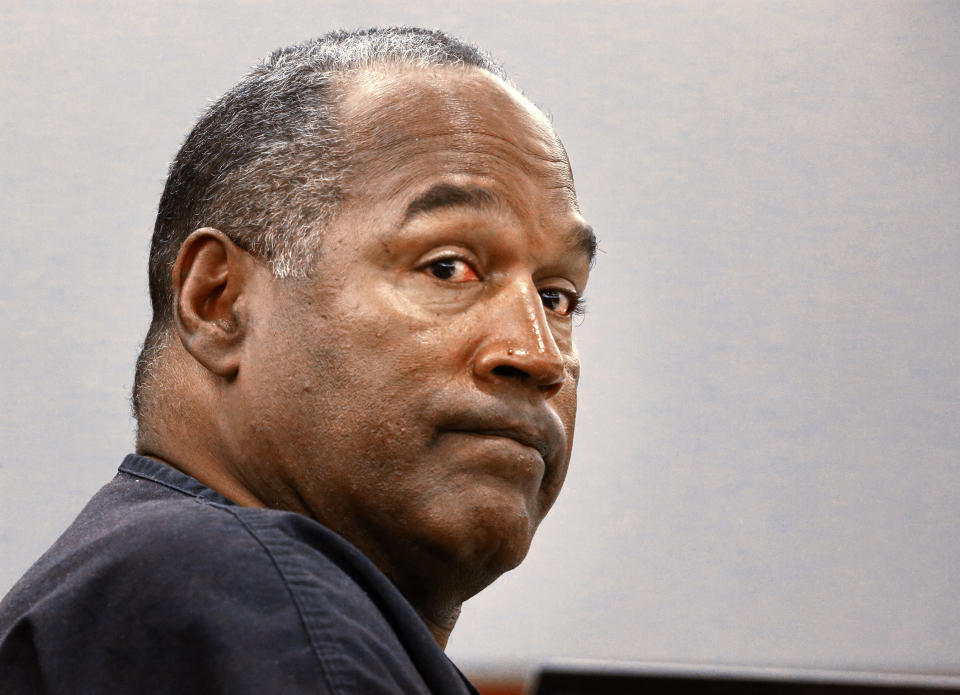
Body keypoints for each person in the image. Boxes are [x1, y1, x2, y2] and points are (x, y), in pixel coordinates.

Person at [0, 27, 596, 694]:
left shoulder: (148, 595)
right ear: (217, 301)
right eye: (448, 267)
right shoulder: (252, 604)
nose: (537, 354)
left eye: (557, 296)